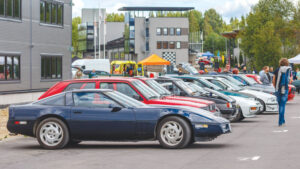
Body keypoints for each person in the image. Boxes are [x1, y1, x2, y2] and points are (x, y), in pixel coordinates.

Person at [273, 58, 292, 127]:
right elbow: (289, 81)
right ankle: (280, 121)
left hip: (278, 89)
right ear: (287, 63)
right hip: (285, 89)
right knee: (282, 105)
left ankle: (282, 120)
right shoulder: (288, 70)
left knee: (279, 105)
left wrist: (275, 88)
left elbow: (274, 80)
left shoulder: (277, 70)